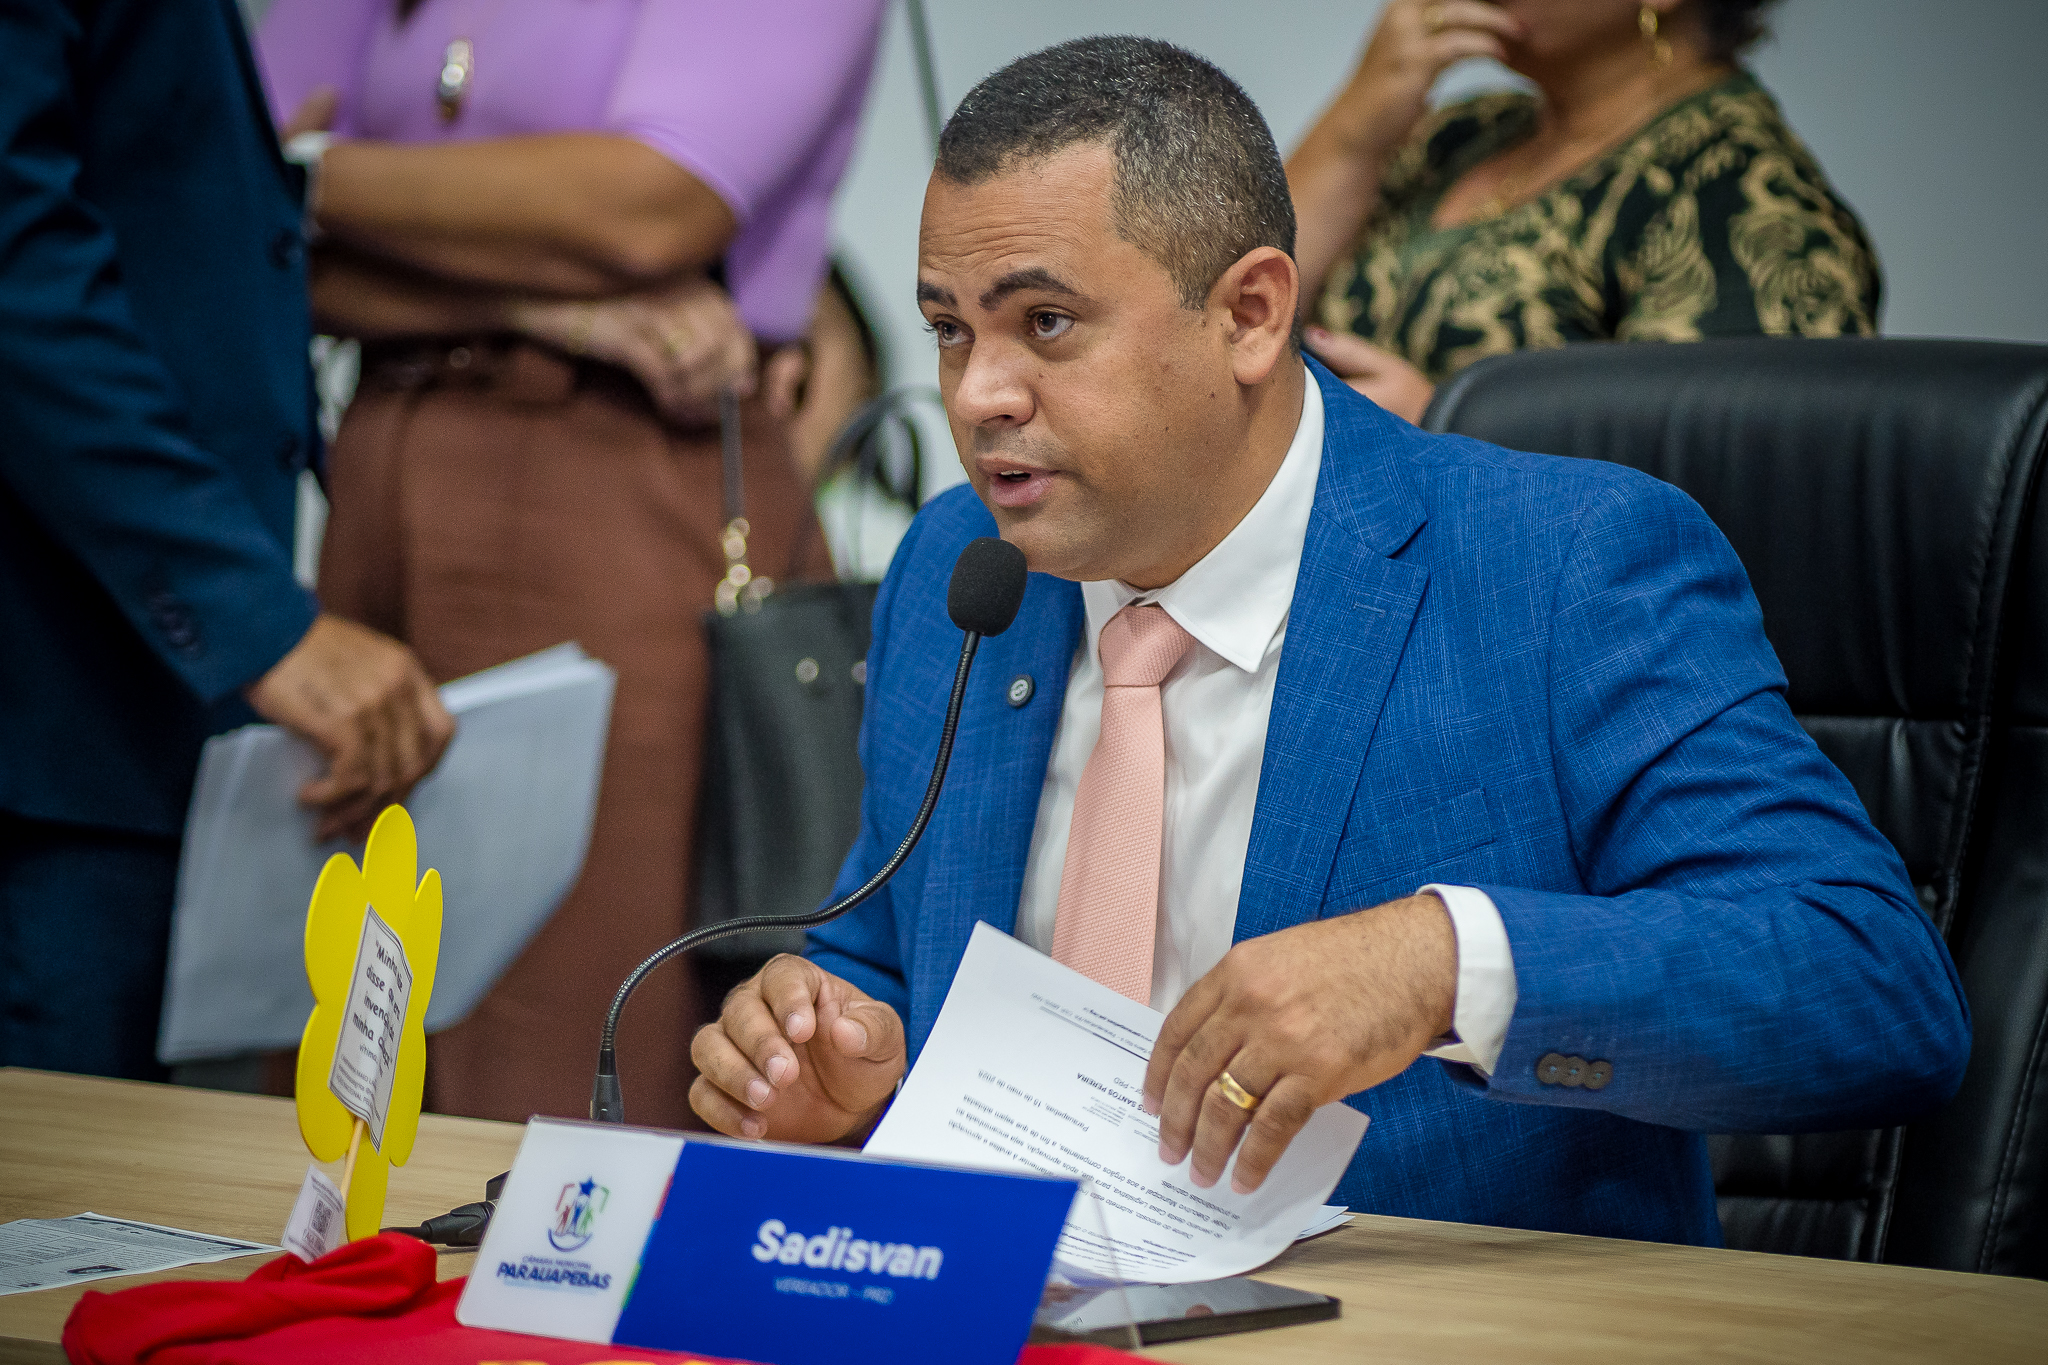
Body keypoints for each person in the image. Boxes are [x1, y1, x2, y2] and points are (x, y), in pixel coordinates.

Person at [685, 37, 1968, 1244]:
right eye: (950, 330)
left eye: (1047, 325)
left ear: (1249, 314)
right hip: (1012, 1311)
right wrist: (824, 1057)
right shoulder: (958, 572)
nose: (977, 395)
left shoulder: (1558, 565)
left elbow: (1873, 989)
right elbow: (880, 953)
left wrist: (1443, 963)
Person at [257, 0, 886, 1129]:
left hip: (625, 478)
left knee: (574, 1040)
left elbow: (648, 209)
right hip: (380, 472)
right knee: (339, 1028)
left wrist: (307, 176)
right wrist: (546, 298)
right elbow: (227, 228)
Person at [0, 0, 452, 1082]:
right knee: (68, 1171)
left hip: (118, 709)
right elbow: (18, 265)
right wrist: (251, 615)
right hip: (56, 712)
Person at [1288, 0, 1879, 422]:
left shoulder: (1744, 200)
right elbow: (1249, 301)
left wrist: (1447, 430)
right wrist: (1354, 127)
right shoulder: (1464, 132)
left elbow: (1712, 488)